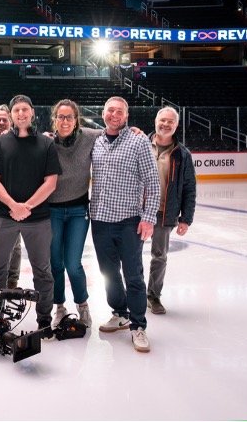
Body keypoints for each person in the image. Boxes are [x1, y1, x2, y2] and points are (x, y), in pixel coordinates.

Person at [0, 95, 60, 335]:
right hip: (3, 216)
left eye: (25, 109)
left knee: (42, 272)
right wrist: (13, 206)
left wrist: (27, 206)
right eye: (16, 110)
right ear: (11, 115)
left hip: (38, 218)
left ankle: (44, 320)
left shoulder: (46, 144)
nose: (21, 114)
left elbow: (51, 183)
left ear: (32, 112)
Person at [91, 96, 159, 353]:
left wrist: (149, 217)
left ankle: (138, 325)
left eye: (119, 111)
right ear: (103, 113)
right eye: (110, 110)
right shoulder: (96, 141)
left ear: (127, 116)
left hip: (129, 221)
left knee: (133, 275)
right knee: (108, 273)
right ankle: (120, 313)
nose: (114, 115)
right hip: (100, 220)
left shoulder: (139, 141)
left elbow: (153, 182)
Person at [47, 100, 100, 329]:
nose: (65, 121)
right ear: (54, 119)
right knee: (55, 263)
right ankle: (59, 307)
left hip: (79, 211)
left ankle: (83, 305)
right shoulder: (48, 142)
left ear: (76, 119)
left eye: (69, 117)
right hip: (52, 211)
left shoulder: (89, 136)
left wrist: (136, 131)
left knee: (73, 263)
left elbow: (113, 131)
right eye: (61, 117)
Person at [147, 107, 196, 315]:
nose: (165, 124)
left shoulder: (183, 154)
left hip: (164, 212)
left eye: (170, 122)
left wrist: (186, 218)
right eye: (163, 120)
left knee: (159, 256)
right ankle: (133, 293)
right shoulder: (141, 144)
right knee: (130, 255)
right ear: (155, 121)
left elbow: (189, 188)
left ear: (176, 126)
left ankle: (153, 296)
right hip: (137, 212)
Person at [0, 104, 23, 290]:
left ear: (10, 122)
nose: (1, 123)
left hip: (12, 202)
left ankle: (12, 281)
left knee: (15, 244)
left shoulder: (20, 142)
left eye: (4, 119)